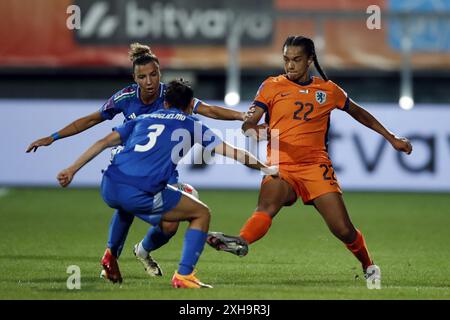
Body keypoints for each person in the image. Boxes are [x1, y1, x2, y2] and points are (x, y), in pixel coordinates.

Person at [26, 43, 249, 282]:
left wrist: (240, 115)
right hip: (129, 163)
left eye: (153, 75)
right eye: (142, 77)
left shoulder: (171, 95)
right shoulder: (125, 97)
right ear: (134, 78)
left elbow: (209, 110)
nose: (149, 81)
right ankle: (112, 256)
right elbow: (91, 120)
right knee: (129, 204)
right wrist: (54, 137)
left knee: (168, 225)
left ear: (160, 74)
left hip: (161, 169)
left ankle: (141, 250)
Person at [206, 35, 413, 286]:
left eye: (296, 60)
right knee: (267, 206)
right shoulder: (271, 86)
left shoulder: (328, 90)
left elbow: (360, 114)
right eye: (286, 60)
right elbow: (249, 122)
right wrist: (253, 129)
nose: (290, 65)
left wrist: (391, 138)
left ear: (310, 60)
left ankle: (369, 265)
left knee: (343, 229)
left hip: (316, 167)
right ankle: (241, 241)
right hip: (281, 163)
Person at [56, 79, 278, 288]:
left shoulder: (141, 120)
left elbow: (103, 142)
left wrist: (71, 169)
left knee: (158, 215)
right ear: (191, 105)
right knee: (201, 213)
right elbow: (234, 153)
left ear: (165, 102)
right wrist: (266, 168)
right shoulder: (192, 125)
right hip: (141, 190)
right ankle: (184, 275)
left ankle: (117, 256)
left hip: (109, 185)